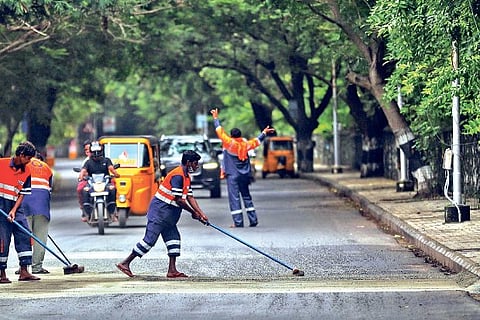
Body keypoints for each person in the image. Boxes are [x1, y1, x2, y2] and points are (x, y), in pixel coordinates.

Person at [116, 150, 209, 278]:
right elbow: (179, 200)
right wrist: (193, 213)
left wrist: (200, 213)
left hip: (169, 216)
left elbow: (190, 197)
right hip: (159, 213)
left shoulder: (186, 176)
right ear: (188, 163)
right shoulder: (177, 175)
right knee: (149, 242)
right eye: (195, 163)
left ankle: (172, 270)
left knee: (174, 241)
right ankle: (125, 263)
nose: (196, 166)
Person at [210, 108, 275, 228]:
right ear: (240, 136)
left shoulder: (229, 143)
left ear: (231, 135)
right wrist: (264, 132)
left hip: (232, 175)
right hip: (245, 175)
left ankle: (238, 222)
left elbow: (219, 131)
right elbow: (257, 141)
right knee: (246, 196)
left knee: (234, 198)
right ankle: (253, 220)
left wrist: (215, 118)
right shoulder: (245, 145)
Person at [0, 141, 40, 283]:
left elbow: (22, 193)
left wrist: (14, 210)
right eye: (28, 158)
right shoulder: (1, 164)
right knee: (2, 239)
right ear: (21, 155)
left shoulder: (27, 171)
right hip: (0, 206)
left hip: (16, 207)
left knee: (24, 234)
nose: (29, 162)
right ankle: (2, 273)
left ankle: (24, 271)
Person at [20, 152, 53, 274]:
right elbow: (49, 189)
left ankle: (23, 267)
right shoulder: (46, 167)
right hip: (42, 206)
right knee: (40, 238)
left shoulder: (22, 165)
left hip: (24, 204)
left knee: (24, 236)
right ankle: (37, 267)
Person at [78, 141, 120, 222]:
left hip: (105, 182)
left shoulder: (106, 160)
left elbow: (111, 168)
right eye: (94, 152)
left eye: (98, 152)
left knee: (113, 189)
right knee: (85, 191)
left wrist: (116, 174)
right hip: (92, 183)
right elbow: (83, 171)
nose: (96, 154)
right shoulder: (88, 162)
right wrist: (81, 177)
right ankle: (87, 212)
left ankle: (113, 212)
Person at [77, 139, 91, 222]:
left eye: (89, 149)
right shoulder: (85, 161)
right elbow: (82, 172)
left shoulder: (103, 158)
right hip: (89, 181)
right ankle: (84, 209)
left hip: (102, 181)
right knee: (80, 188)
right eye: (86, 150)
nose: (88, 151)